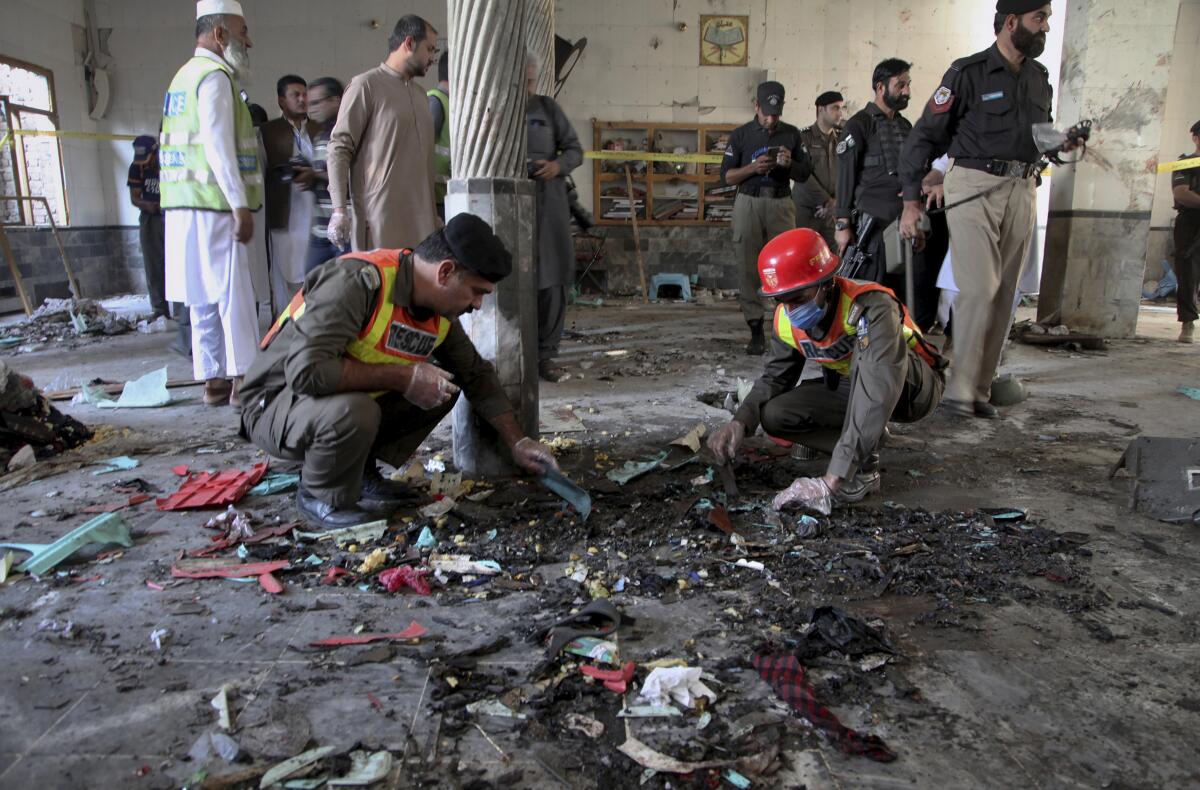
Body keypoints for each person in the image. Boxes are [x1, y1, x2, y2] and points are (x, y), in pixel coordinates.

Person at [239, 214, 561, 527]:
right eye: (476, 291)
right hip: (273, 402)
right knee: (359, 409)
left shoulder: (438, 312)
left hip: (325, 403)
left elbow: (476, 374)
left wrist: (518, 442)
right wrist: (404, 377)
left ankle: (356, 471)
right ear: (445, 272)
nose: (477, 304)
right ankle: (320, 494)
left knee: (442, 387)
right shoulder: (357, 283)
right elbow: (306, 372)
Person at [899, 0, 1076, 418]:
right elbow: (924, 136)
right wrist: (910, 202)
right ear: (1012, 22)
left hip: (1022, 186)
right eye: (1040, 18)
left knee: (1004, 294)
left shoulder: (1039, 77)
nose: (1047, 27)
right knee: (979, 286)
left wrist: (1061, 143)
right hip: (973, 184)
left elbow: (1039, 134)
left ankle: (977, 390)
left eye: (1048, 18)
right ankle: (957, 389)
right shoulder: (968, 72)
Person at [707, 228, 945, 513]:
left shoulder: (870, 306)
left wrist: (829, 482)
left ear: (826, 283)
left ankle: (854, 467)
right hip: (853, 387)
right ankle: (864, 455)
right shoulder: (786, 319)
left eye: (799, 297)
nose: (791, 309)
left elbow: (878, 388)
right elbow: (775, 377)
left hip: (913, 389)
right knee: (774, 414)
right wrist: (740, 422)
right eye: (782, 299)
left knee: (865, 356)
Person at [161, 0, 267, 408]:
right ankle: (244, 382)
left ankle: (212, 382)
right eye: (243, 33)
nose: (249, 41)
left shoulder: (182, 77)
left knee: (201, 295)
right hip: (215, 204)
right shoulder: (215, 77)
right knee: (234, 294)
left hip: (183, 206)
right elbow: (219, 147)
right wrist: (239, 203)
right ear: (220, 35)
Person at [326, 14, 440, 251]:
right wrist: (339, 210)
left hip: (423, 227)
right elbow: (339, 148)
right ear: (408, 43)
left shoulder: (421, 95)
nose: (432, 58)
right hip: (379, 226)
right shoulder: (365, 86)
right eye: (430, 49)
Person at [721, 81, 814, 355]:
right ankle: (755, 331)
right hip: (748, 201)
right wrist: (752, 167)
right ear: (756, 106)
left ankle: (785, 328)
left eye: (776, 113)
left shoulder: (792, 135)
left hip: (781, 202)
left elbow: (805, 173)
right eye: (767, 113)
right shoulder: (740, 135)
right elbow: (726, 176)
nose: (771, 119)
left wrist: (790, 164)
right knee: (748, 265)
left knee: (786, 267)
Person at [526, 53, 583, 383]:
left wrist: (557, 166)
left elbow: (575, 149)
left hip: (549, 206)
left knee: (552, 279)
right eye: (523, 81)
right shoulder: (494, 107)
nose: (528, 88)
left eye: (532, 81)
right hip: (509, 206)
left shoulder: (547, 109)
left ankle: (546, 355)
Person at [834, 58, 913, 285]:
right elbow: (845, 176)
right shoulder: (859, 124)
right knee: (869, 293)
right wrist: (842, 224)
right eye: (900, 85)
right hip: (871, 231)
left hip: (902, 225)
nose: (907, 91)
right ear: (880, 87)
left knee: (900, 295)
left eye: (908, 84)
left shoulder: (905, 126)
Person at [261, 74, 320, 314]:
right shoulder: (267, 133)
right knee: (283, 275)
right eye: (295, 95)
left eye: (304, 94)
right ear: (281, 101)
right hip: (284, 214)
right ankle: (283, 329)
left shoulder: (320, 129)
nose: (302, 99)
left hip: (315, 214)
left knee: (313, 273)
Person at [302, 77, 346, 275]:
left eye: (316, 103)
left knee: (345, 290)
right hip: (320, 229)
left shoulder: (349, 133)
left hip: (346, 230)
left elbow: (352, 177)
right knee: (311, 288)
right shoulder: (320, 137)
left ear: (336, 101)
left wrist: (316, 175)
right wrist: (308, 178)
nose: (311, 109)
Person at [793, 91, 844, 249]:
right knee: (805, 257)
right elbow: (802, 175)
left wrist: (835, 203)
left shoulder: (843, 139)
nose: (840, 113)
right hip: (807, 212)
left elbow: (847, 173)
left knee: (834, 260)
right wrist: (826, 201)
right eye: (835, 108)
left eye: (842, 108)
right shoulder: (803, 138)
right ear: (821, 109)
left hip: (832, 212)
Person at [127, 135, 169, 320]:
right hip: (150, 218)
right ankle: (160, 309)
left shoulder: (168, 163)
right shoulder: (136, 168)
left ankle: (184, 309)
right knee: (153, 265)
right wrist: (148, 205)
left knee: (174, 264)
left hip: (171, 217)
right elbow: (134, 197)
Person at [1171, 120, 1200, 344]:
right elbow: (1181, 193)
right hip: (1190, 222)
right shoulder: (1185, 163)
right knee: (1187, 274)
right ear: (1195, 137)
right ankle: (1187, 322)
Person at [427, 51, 451, 220]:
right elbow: (419, 151)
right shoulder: (435, 101)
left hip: (447, 194)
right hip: (435, 198)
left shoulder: (450, 101)